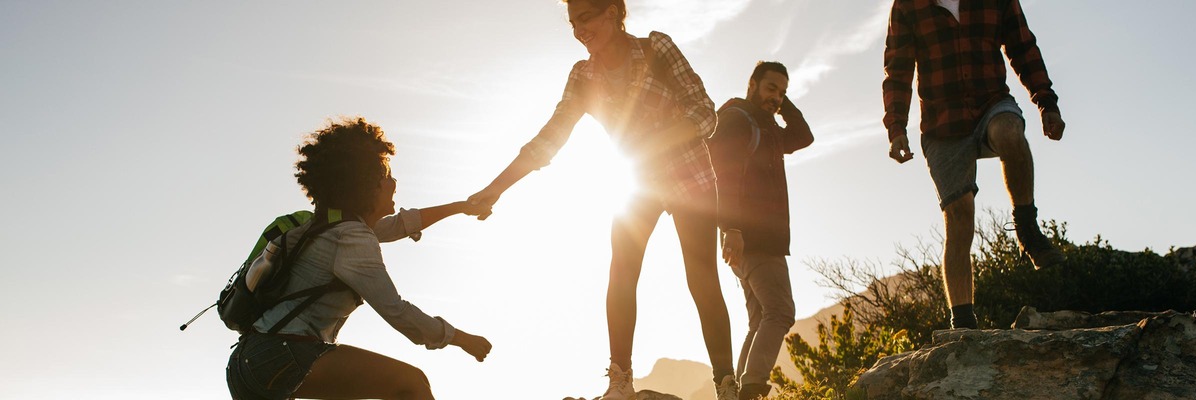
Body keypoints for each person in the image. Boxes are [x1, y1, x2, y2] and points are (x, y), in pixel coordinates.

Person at [465, 1, 738, 398]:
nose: (579, 29)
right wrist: (496, 187)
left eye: (586, 18)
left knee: (701, 278)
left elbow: (704, 112)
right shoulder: (583, 75)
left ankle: (726, 382)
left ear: (612, 12)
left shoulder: (655, 48)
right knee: (621, 274)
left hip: (688, 175)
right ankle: (620, 381)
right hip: (637, 183)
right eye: (573, 22)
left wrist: (658, 142)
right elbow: (550, 138)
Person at [226, 117, 493, 400]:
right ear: (368, 186)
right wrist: (461, 339)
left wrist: (460, 207)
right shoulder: (352, 236)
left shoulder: (334, 228)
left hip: (253, 362)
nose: (394, 182)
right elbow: (396, 311)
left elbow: (401, 224)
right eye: (387, 176)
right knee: (410, 383)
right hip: (280, 357)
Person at [881, 0, 1067, 329]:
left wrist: (1045, 101)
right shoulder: (908, 5)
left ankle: (1027, 229)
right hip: (943, 126)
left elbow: (1023, 46)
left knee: (1010, 134)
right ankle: (963, 322)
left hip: (991, 103)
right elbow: (897, 70)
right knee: (959, 216)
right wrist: (896, 128)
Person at [709, 61, 813, 400]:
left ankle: (738, 392)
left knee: (759, 321)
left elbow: (803, 137)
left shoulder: (767, 128)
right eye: (771, 88)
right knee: (781, 312)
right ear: (752, 84)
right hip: (752, 237)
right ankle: (751, 390)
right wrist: (732, 227)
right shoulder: (739, 120)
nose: (776, 97)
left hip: (752, 238)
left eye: (782, 92)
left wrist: (784, 104)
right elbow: (724, 174)